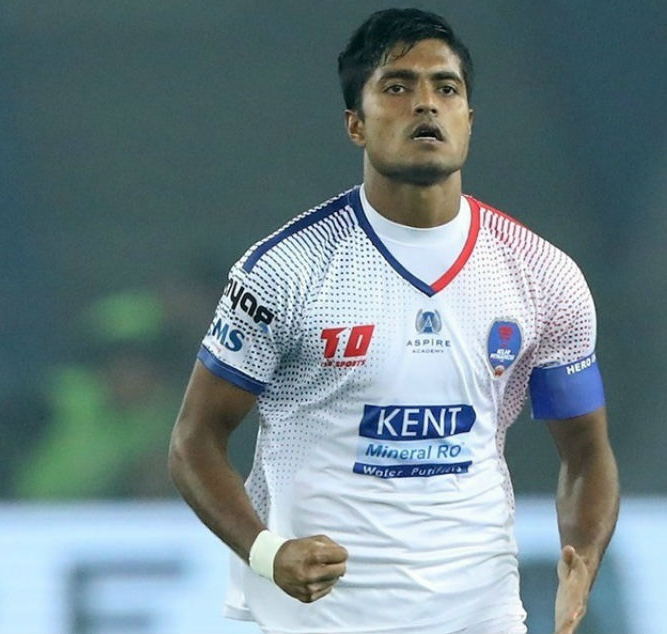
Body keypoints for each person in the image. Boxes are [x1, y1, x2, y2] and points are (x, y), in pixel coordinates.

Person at [169, 8, 619, 634]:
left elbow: (586, 453)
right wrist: (269, 554)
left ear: (469, 119)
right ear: (355, 124)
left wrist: (583, 559)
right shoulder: (286, 271)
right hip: (317, 618)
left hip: (479, 612)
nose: (426, 104)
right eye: (398, 87)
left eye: (446, 88)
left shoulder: (542, 274)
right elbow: (194, 440)